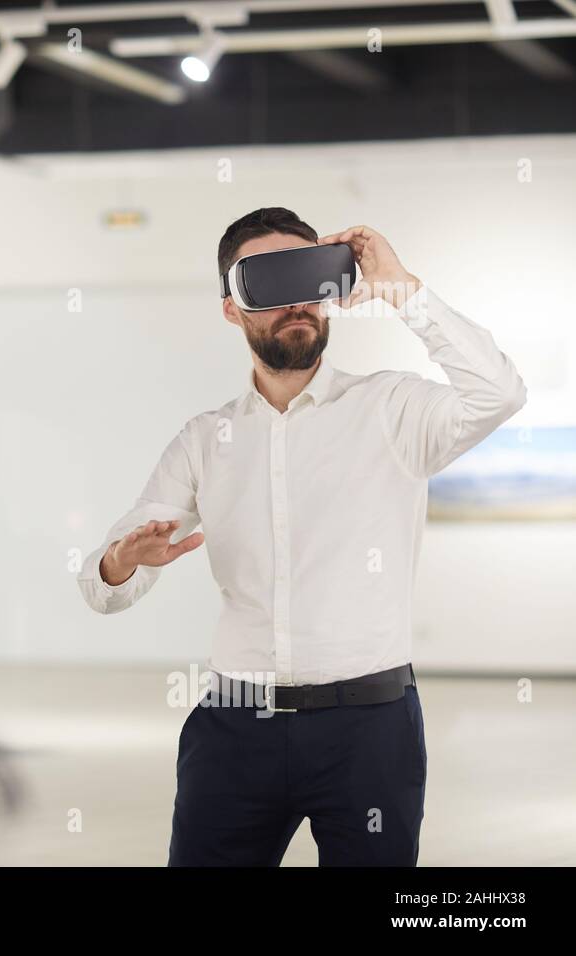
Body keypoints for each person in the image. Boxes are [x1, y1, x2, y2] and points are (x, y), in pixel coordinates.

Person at [77, 208, 527, 866]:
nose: (296, 303)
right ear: (232, 309)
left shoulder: (393, 410)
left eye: (307, 280)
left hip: (370, 731)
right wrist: (123, 558)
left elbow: (500, 394)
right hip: (234, 729)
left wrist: (402, 288)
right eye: (268, 284)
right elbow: (104, 588)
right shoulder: (205, 440)